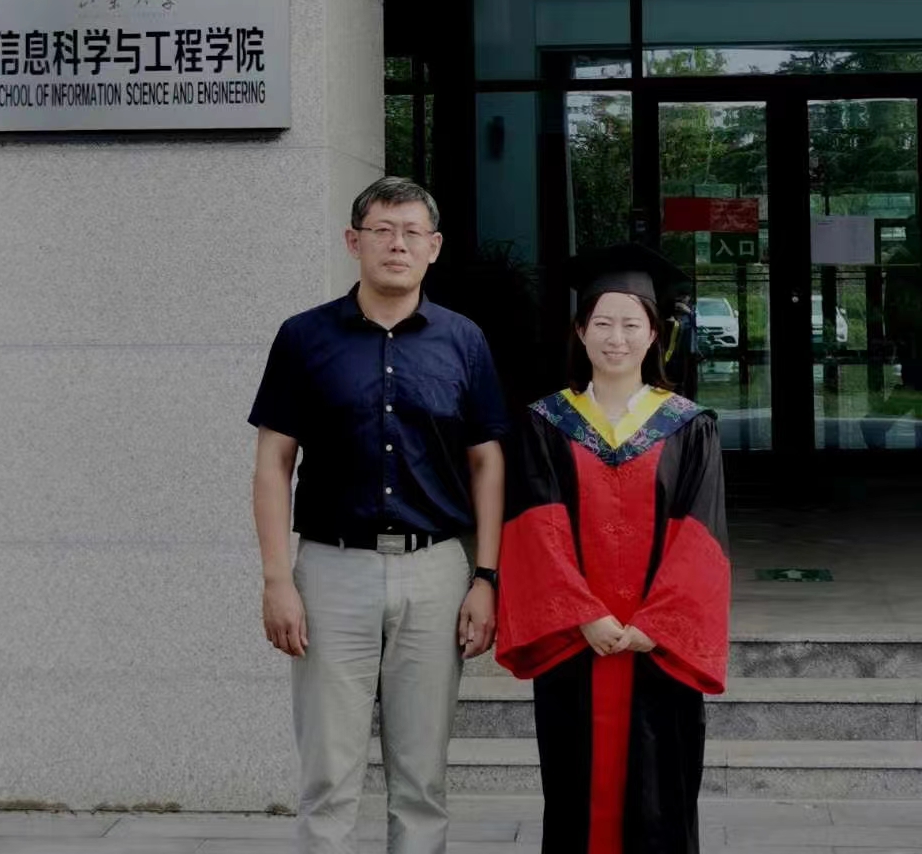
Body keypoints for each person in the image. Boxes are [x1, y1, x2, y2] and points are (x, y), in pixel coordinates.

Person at [249, 176, 508, 854]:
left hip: (436, 571)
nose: (397, 244)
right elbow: (273, 463)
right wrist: (278, 579)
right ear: (353, 241)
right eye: (383, 230)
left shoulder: (464, 341)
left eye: (412, 232)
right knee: (328, 779)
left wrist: (486, 576)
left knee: (422, 782)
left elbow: (487, 462)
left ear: (434, 247)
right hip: (331, 572)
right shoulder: (304, 337)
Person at [495, 244, 730, 854]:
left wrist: (657, 622)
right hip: (578, 646)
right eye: (602, 323)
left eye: (631, 324)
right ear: (580, 331)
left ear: (654, 335)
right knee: (575, 789)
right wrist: (584, 615)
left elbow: (701, 537)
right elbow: (535, 530)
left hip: (657, 649)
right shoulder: (547, 423)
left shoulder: (688, 425)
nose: (616, 338)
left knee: (662, 792)